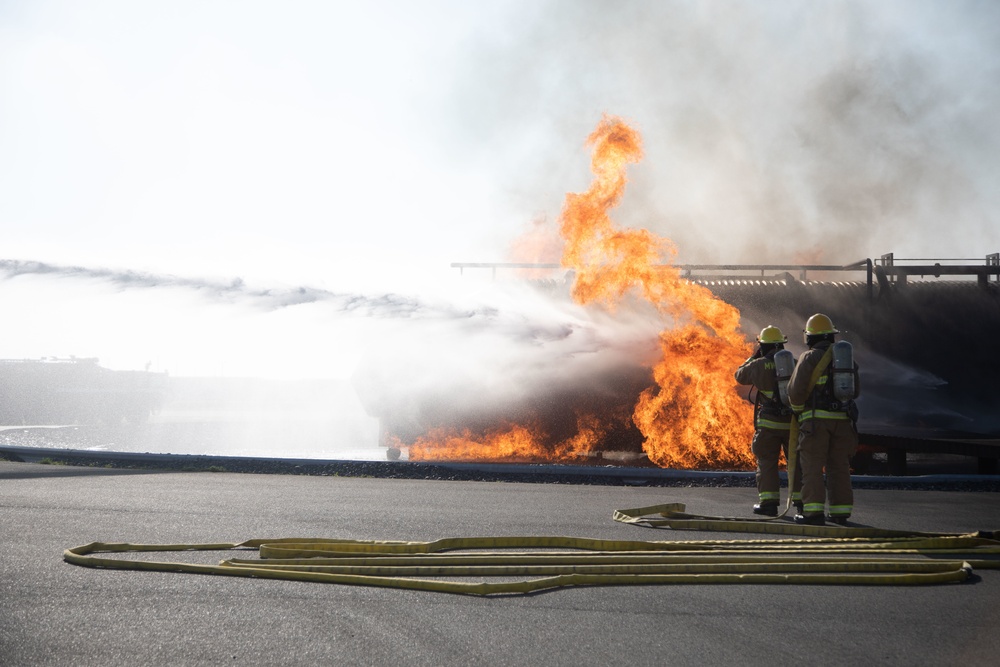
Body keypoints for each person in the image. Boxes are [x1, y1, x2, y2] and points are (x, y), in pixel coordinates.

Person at [787, 313, 861, 526]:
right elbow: (856, 391)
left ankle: (812, 512)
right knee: (839, 466)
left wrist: (798, 412)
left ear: (810, 337)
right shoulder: (847, 359)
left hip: (815, 424)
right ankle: (840, 512)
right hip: (843, 423)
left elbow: (795, 392)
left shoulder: (809, 357)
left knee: (812, 466)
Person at [735, 325, 803, 516]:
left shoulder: (757, 365)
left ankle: (769, 504)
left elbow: (739, 375)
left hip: (769, 424)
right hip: (792, 423)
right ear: (782, 344)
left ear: (762, 346)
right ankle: (802, 504)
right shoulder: (796, 363)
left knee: (767, 462)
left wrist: (754, 357)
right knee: (796, 463)